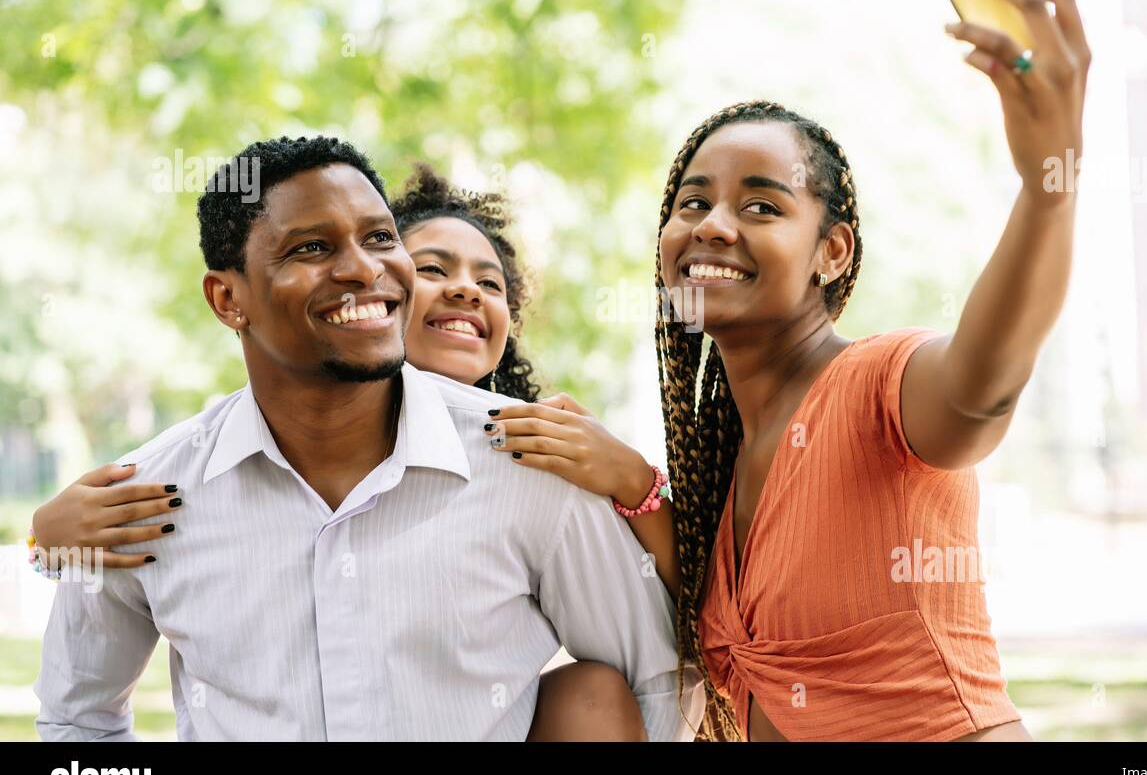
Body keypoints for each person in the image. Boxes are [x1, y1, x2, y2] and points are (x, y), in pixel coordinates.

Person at [34, 135, 702, 741]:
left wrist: (640, 485)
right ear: (227, 299)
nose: (362, 269)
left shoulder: (531, 466)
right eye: (312, 247)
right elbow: (75, 720)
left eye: (381, 239)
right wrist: (41, 541)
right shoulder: (142, 502)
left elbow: (651, 681)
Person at [646, 0, 1089, 740]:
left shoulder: (880, 382)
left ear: (833, 252)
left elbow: (981, 387)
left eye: (760, 204)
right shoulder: (719, 471)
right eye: (692, 201)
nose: (712, 225)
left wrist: (1046, 190)